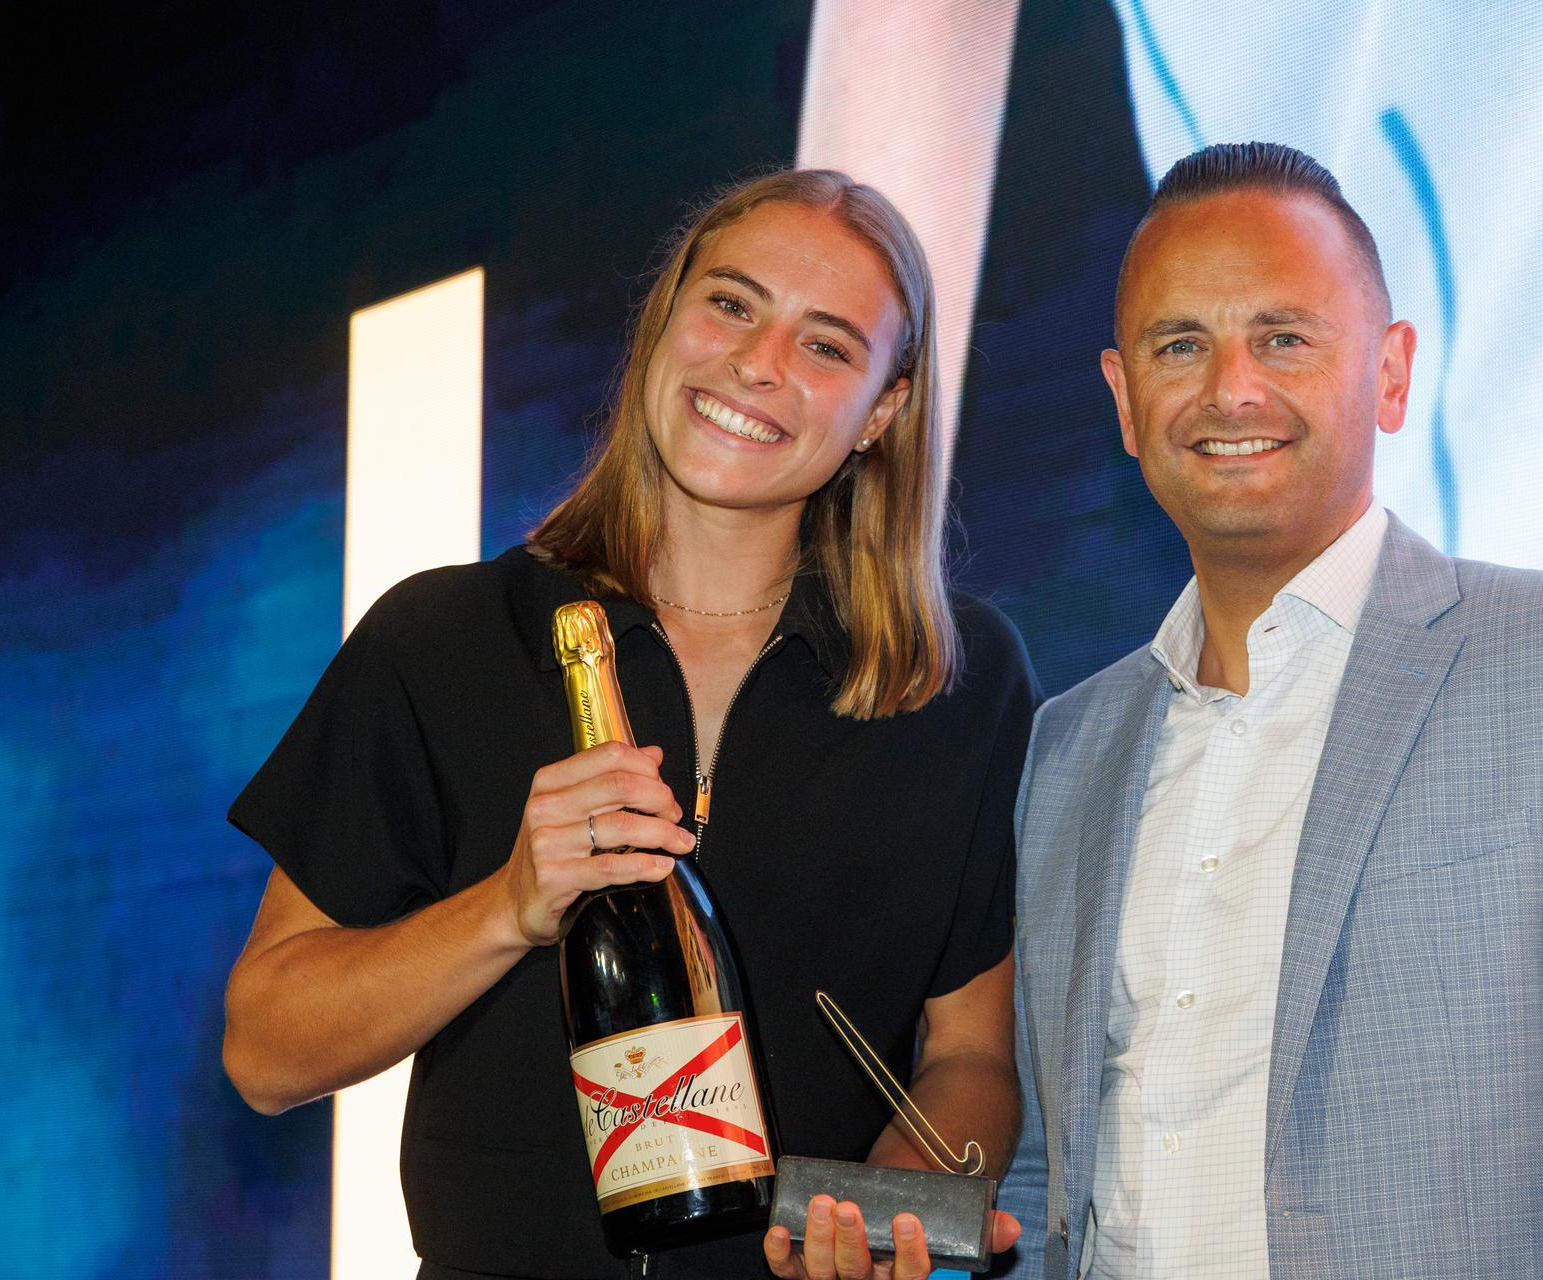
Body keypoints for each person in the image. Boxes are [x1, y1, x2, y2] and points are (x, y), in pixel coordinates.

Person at [223, 168, 1034, 1279]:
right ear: (666, 321)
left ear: (882, 412)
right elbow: (265, 1046)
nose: (757, 363)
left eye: (827, 345)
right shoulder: (447, 638)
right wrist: (507, 908)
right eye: (732, 304)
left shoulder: (959, 680)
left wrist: (895, 1209)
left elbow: (974, 1051)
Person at [996, 142, 1543, 1279]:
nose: (1231, 389)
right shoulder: (1067, 746)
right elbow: (1048, 1170)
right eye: (1181, 345)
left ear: (1392, 371)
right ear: (1124, 399)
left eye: (1283, 338)